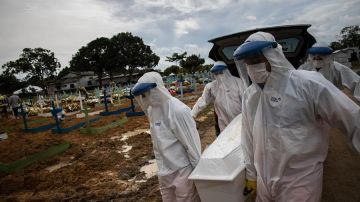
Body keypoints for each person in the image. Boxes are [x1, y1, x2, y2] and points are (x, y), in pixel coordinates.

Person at [233, 31, 360, 201]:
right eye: (249, 61)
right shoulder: (250, 95)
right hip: (265, 181)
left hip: (300, 182)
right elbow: (247, 137)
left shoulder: (308, 83)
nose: (254, 64)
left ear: (273, 55)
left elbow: (353, 120)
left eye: (258, 58)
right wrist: (251, 175)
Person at [132, 72, 201, 202]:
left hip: (182, 170)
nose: (145, 98)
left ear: (156, 89)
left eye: (147, 93)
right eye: (142, 95)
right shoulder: (152, 111)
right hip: (164, 171)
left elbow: (192, 145)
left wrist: (198, 175)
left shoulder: (178, 111)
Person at [191, 61, 246, 133]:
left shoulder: (238, 82)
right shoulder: (212, 87)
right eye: (216, 74)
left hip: (240, 120)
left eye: (221, 73)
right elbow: (203, 100)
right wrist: (192, 114)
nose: (219, 76)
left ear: (226, 71)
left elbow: (246, 101)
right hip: (224, 123)